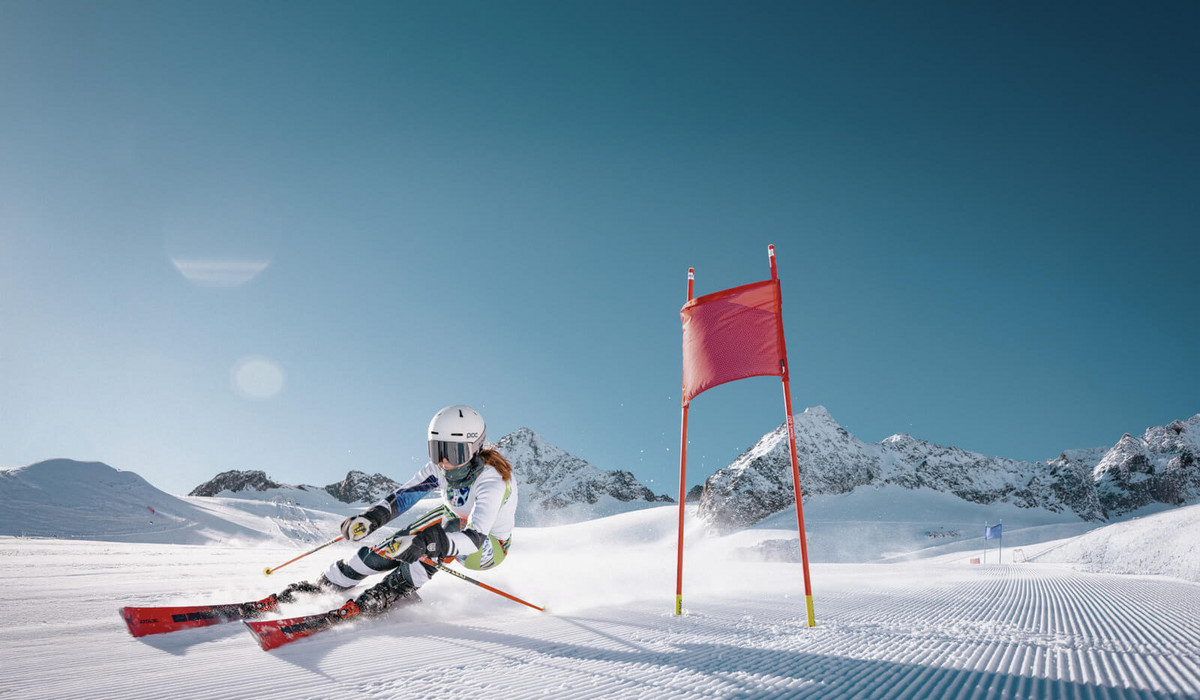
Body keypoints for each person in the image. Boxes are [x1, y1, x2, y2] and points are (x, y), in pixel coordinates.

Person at [272, 405, 518, 618]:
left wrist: (427, 543)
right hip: (453, 522)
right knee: (399, 542)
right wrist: (371, 518)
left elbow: (475, 539)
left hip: (487, 548)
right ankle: (332, 582)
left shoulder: (492, 480)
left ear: (474, 448)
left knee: (437, 535)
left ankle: (392, 592)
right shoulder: (437, 468)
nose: (444, 461)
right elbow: (403, 497)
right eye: (437, 450)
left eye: (454, 452)